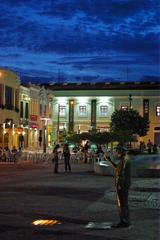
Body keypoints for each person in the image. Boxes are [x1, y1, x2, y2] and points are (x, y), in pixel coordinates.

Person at [105, 146, 131, 228]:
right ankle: (126, 220)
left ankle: (123, 221)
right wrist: (110, 161)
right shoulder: (126, 159)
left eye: (117, 152)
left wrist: (119, 183)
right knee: (124, 203)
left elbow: (121, 172)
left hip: (122, 183)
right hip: (124, 183)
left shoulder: (124, 160)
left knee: (121, 202)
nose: (116, 153)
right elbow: (117, 168)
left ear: (121, 152)